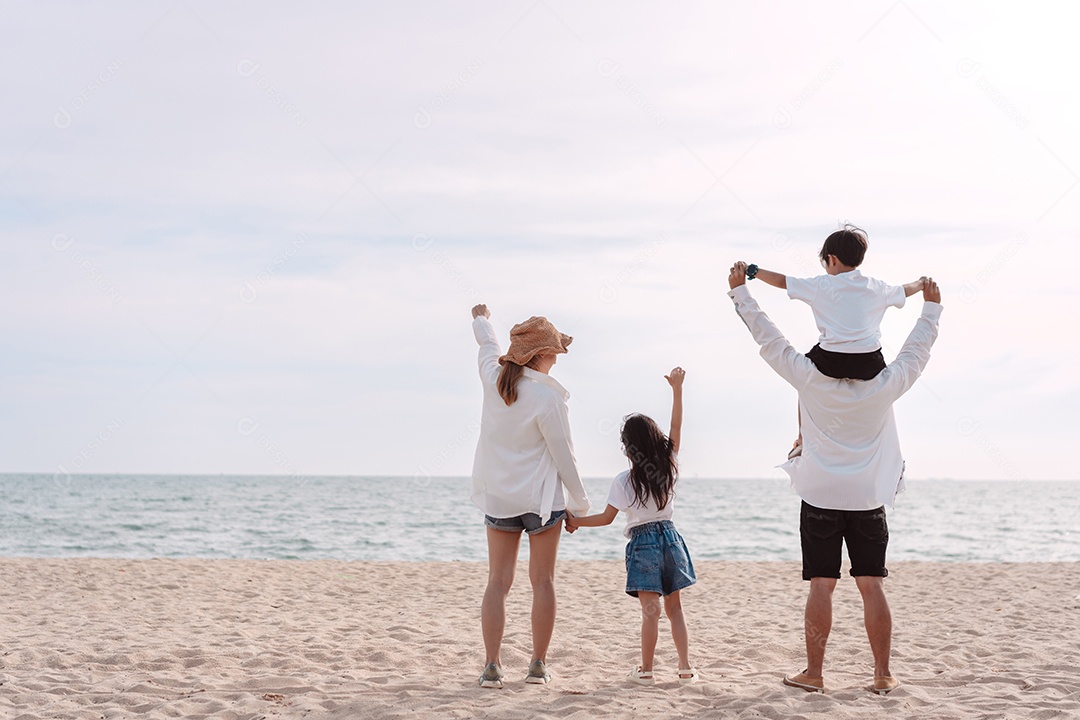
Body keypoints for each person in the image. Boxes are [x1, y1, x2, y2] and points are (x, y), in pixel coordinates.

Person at [726, 261, 943, 696]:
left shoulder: (809, 378)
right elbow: (917, 351)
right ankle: (882, 674)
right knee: (871, 585)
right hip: (868, 499)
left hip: (822, 496)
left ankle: (815, 673)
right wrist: (931, 308)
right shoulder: (885, 384)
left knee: (821, 587)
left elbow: (770, 339)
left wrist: (741, 293)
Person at [469, 303, 590, 689]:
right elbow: (564, 456)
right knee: (543, 582)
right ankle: (537, 665)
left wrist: (481, 318)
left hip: (499, 499)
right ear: (540, 355)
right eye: (555, 350)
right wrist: (579, 505)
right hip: (542, 503)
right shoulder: (548, 398)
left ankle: (492, 667)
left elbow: (487, 345)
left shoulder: (493, 378)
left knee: (497, 583)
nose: (558, 357)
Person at [744, 224, 926, 458]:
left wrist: (753, 271)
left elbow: (782, 282)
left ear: (831, 259)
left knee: (803, 383)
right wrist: (921, 283)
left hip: (831, 362)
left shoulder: (821, 285)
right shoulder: (877, 287)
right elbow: (905, 290)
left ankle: (802, 438)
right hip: (869, 363)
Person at [565, 367, 698, 686]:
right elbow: (676, 426)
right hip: (671, 538)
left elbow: (606, 518)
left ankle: (647, 670)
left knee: (650, 612)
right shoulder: (668, 465)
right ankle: (684, 669)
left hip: (643, 545)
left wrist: (575, 523)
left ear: (627, 447)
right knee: (675, 609)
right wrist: (677, 391)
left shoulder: (623, 481)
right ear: (656, 440)